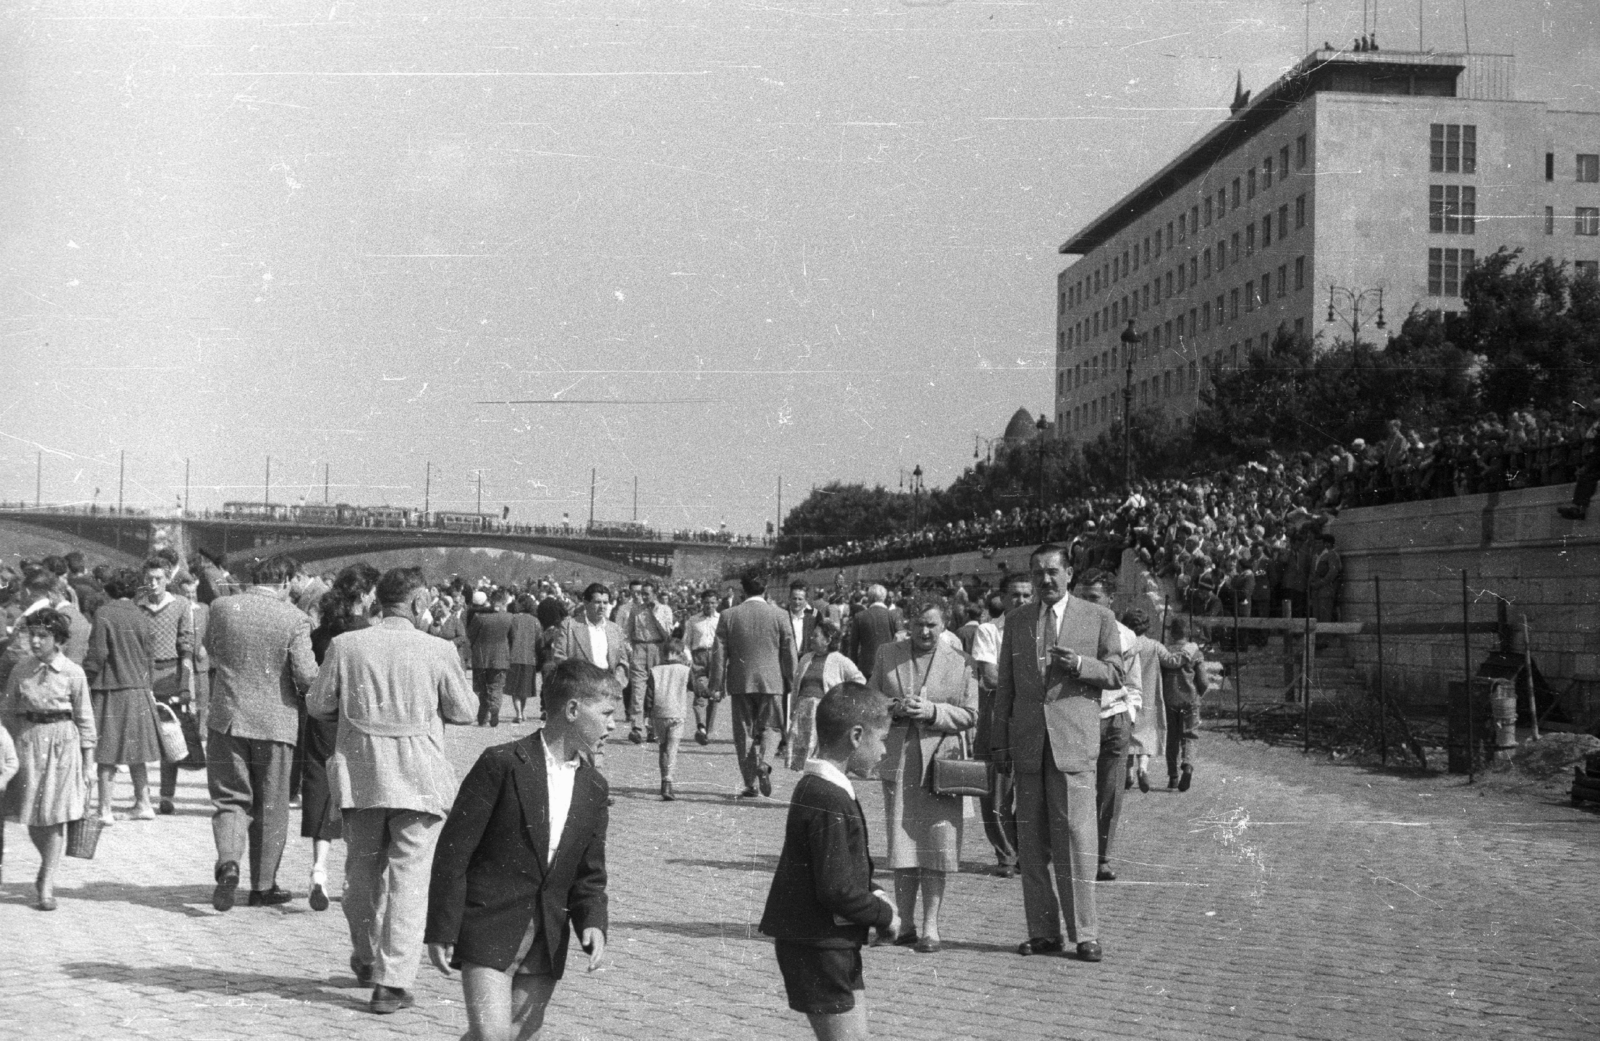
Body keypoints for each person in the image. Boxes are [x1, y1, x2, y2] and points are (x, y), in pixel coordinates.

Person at [307, 566, 478, 1015]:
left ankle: (365, 957)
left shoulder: (346, 646)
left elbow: (318, 704)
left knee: (360, 876)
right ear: (420, 602)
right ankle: (393, 982)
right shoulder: (438, 649)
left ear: (378, 601)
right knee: (409, 880)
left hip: (362, 778)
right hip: (420, 779)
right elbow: (464, 711)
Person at [425, 660, 614, 1041]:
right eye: (607, 713)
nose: (613, 725)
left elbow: (589, 872)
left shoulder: (594, 787)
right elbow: (453, 851)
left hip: (548, 933)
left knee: (519, 1034)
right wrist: (442, 929)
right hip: (488, 924)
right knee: (492, 1035)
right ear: (573, 709)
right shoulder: (503, 763)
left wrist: (592, 921)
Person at [991, 544, 1124, 962]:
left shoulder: (1097, 617)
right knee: (1030, 844)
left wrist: (1081, 665)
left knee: (1075, 841)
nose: (1045, 580)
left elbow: (1117, 672)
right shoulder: (1016, 621)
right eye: (1037, 574)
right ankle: (1044, 931)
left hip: (1072, 744)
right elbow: (1006, 688)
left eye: (1052, 572)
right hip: (1029, 745)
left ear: (1069, 574)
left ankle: (1085, 933)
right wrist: (999, 743)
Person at [759, 682, 898, 1041]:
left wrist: (875, 893)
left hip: (832, 943)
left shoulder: (824, 789)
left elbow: (846, 870)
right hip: (819, 945)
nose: (884, 750)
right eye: (881, 739)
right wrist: (885, 916)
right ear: (856, 735)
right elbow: (836, 888)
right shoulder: (828, 797)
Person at [204, 554, 318, 911]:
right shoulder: (295, 618)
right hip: (276, 723)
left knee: (230, 799)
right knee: (271, 805)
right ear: (285, 583)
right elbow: (305, 675)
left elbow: (211, 650)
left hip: (227, 719)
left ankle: (229, 863)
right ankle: (263, 886)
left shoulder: (222, 608)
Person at [867, 600, 977, 954]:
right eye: (918, 624)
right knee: (902, 845)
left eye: (932, 625)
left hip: (941, 765)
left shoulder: (961, 661)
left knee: (937, 845)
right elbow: (872, 700)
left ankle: (931, 926)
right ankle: (906, 924)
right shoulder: (888, 654)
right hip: (899, 761)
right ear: (907, 623)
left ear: (944, 625)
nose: (924, 632)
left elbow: (971, 713)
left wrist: (933, 711)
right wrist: (894, 708)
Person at [0, 608, 96, 910]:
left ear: (58, 640)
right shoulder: (21, 669)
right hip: (27, 744)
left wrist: (89, 764)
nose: (37, 641)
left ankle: (46, 881)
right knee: (31, 815)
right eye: (33, 635)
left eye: (44, 635)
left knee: (54, 816)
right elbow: (7, 712)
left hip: (62, 746)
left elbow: (85, 719)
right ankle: (45, 864)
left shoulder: (73, 672)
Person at [305, 562, 380, 912]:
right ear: (364, 595)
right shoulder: (369, 634)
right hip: (359, 723)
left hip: (323, 722)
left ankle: (319, 870)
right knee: (358, 797)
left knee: (322, 791)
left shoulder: (322, 633)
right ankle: (355, 877)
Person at [1076, 570, 1140, 882]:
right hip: (1080, 719)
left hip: (1115, 720)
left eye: (1094, 598)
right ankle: (1073, 852)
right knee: (1075, 789)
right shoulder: (1069, 634)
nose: (1087, 604)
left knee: (1110, 793)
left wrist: (1130, 714)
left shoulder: (1126, 636)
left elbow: (1134, 684)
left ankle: (1102, 858)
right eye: (1082, 597)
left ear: (1110, 600)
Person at [82, 568, 158, 824]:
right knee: (135, 752)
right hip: (139, 690)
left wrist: (85, 679)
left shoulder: (104, 613)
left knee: (106, 751)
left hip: (111, 690)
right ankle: (144, 803)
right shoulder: (143, 616)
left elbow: (97, 656)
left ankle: (104, 810)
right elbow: (150, 657)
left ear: (109, 589)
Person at [970, 576, 1033, 878]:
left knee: (1032, 788)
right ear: (1004, 599)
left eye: (1026, 595)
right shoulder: (988, 631)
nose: (1021, 601)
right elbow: (991, 676)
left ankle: (1024, 848)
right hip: (998, 717)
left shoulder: (1042, 632)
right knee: (996, 791)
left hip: (1031, 718)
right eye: (1015, 595)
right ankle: (1006, 852)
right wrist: (1032, 683)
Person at [712, 575, 795, 799]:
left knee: (744, 733)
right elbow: (789, 649)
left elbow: (719, 654)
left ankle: (750, 783)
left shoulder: (728, 615)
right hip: (772, 681)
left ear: (743, 590)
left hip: (740, 681)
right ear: (765, 589)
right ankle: (765, 763)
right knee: (773, 727)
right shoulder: (780, 615)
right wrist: (791, 677)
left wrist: (716, 684)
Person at [140, 557, 196, 817]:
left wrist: (184, 685)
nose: (153, 584)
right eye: (149, 579)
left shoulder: (181, 605)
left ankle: (166, 795)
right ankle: (141, 796)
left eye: (158, 579)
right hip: (142, 675)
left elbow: (187, 648)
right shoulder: (136, 607)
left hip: (170, 675)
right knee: (139, 737)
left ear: (166, 580)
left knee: (169, 737)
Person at [786, 620, 865, 771]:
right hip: (803, 713)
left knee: (820, 757)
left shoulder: (839, 660)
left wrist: (843, 699)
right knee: (803, 760)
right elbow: (796, 686)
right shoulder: (805, 658)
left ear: (827, 640)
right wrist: (792, 709)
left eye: (815, 636)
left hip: (823, 714)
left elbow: (859, 679)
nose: (811, 638)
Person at [618, 579, 674, 745]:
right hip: (640, 649)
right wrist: (630, 649)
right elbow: (627, 632)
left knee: (656, 691)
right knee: (638, 689)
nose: (643, 597)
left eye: (647, 594)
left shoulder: (665, 610)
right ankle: (636, 728)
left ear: (655, 594)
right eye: (642, 594)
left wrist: (655, 614)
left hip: (658, 648)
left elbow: (667, 633)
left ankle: (654, 729)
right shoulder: (636, 610)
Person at [1158, 617, 1208, 791]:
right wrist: (1199, 693)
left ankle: (1172, 776)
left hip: (1170, 699)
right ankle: (1187, 766)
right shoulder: (1194, 652)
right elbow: (1203, 680)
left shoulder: (1165, 651)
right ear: (1188, 633)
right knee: (1190, 736)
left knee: (1171, 738)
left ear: (1171, 633)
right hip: (1189, 700)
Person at [1123, 608, 1165, 796]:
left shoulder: (1125, 644)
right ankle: (1143, 769)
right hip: (1148, 694)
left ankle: (1128, 773)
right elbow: (1170, 661)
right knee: (1146, 734)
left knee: (1128, 736)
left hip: (1129, 694)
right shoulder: (1154, 645)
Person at [647, 640, 693, 800]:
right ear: (680, 653)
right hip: (677, 713)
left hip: (659, 713)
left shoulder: (655, 670)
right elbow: (696, 688)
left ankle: (663, 782)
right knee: (672, 748)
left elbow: (649, 696)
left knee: (663, 748)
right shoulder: (685, 670)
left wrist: (647, 715)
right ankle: (668, 782)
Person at [468, 589, 515, 728]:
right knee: (496, 686)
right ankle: (494, 708)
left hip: (480, 657)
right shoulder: (509, 618)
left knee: (481, 688)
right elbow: (513, 638)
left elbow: (470, 636)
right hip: (500, 657)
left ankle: (482, 716)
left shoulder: (479, 617)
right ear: (505, 602)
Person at [682, 588, 721, 745]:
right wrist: (689, 658)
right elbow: (686, 643)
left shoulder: (722, 619)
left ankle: (708, 730)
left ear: (717, 603)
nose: (709, 606)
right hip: (699, 657)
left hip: (717, 657)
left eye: (712, 603)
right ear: (701, 603)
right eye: (706, 603)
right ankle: (701, 727)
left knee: (715, 695)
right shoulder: (693, 621)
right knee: (699, 692)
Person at [844, 585, 896, 681]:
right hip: (889, 667)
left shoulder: (860, 616)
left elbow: (853, 645)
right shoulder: (892, 616)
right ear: (884, 597)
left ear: (869, 598)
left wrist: (853, 667)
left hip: (866, 667)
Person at [506, 594, 543, 725]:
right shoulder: (535, 621)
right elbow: (539, 640)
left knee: (515, 689)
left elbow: (508, 637)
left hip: (514, 657)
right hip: (530, 658)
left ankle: (518, 714)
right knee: (525, 689)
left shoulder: (513, 619)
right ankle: (522, 712)